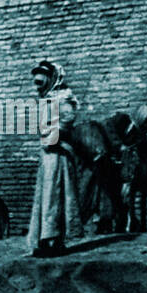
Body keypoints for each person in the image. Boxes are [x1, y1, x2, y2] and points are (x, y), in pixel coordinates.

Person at [26, 63, 83, 257]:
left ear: (51, 79)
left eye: (41, 83)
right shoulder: (47, 99)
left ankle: (53, 239)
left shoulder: (63, 97)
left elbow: (68, 119)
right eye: (36, 84)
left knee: (55, 194)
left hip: (59, 153)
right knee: (46, 195)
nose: (38, 87)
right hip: (48, 155)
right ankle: (45, 238)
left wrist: (53, 135)